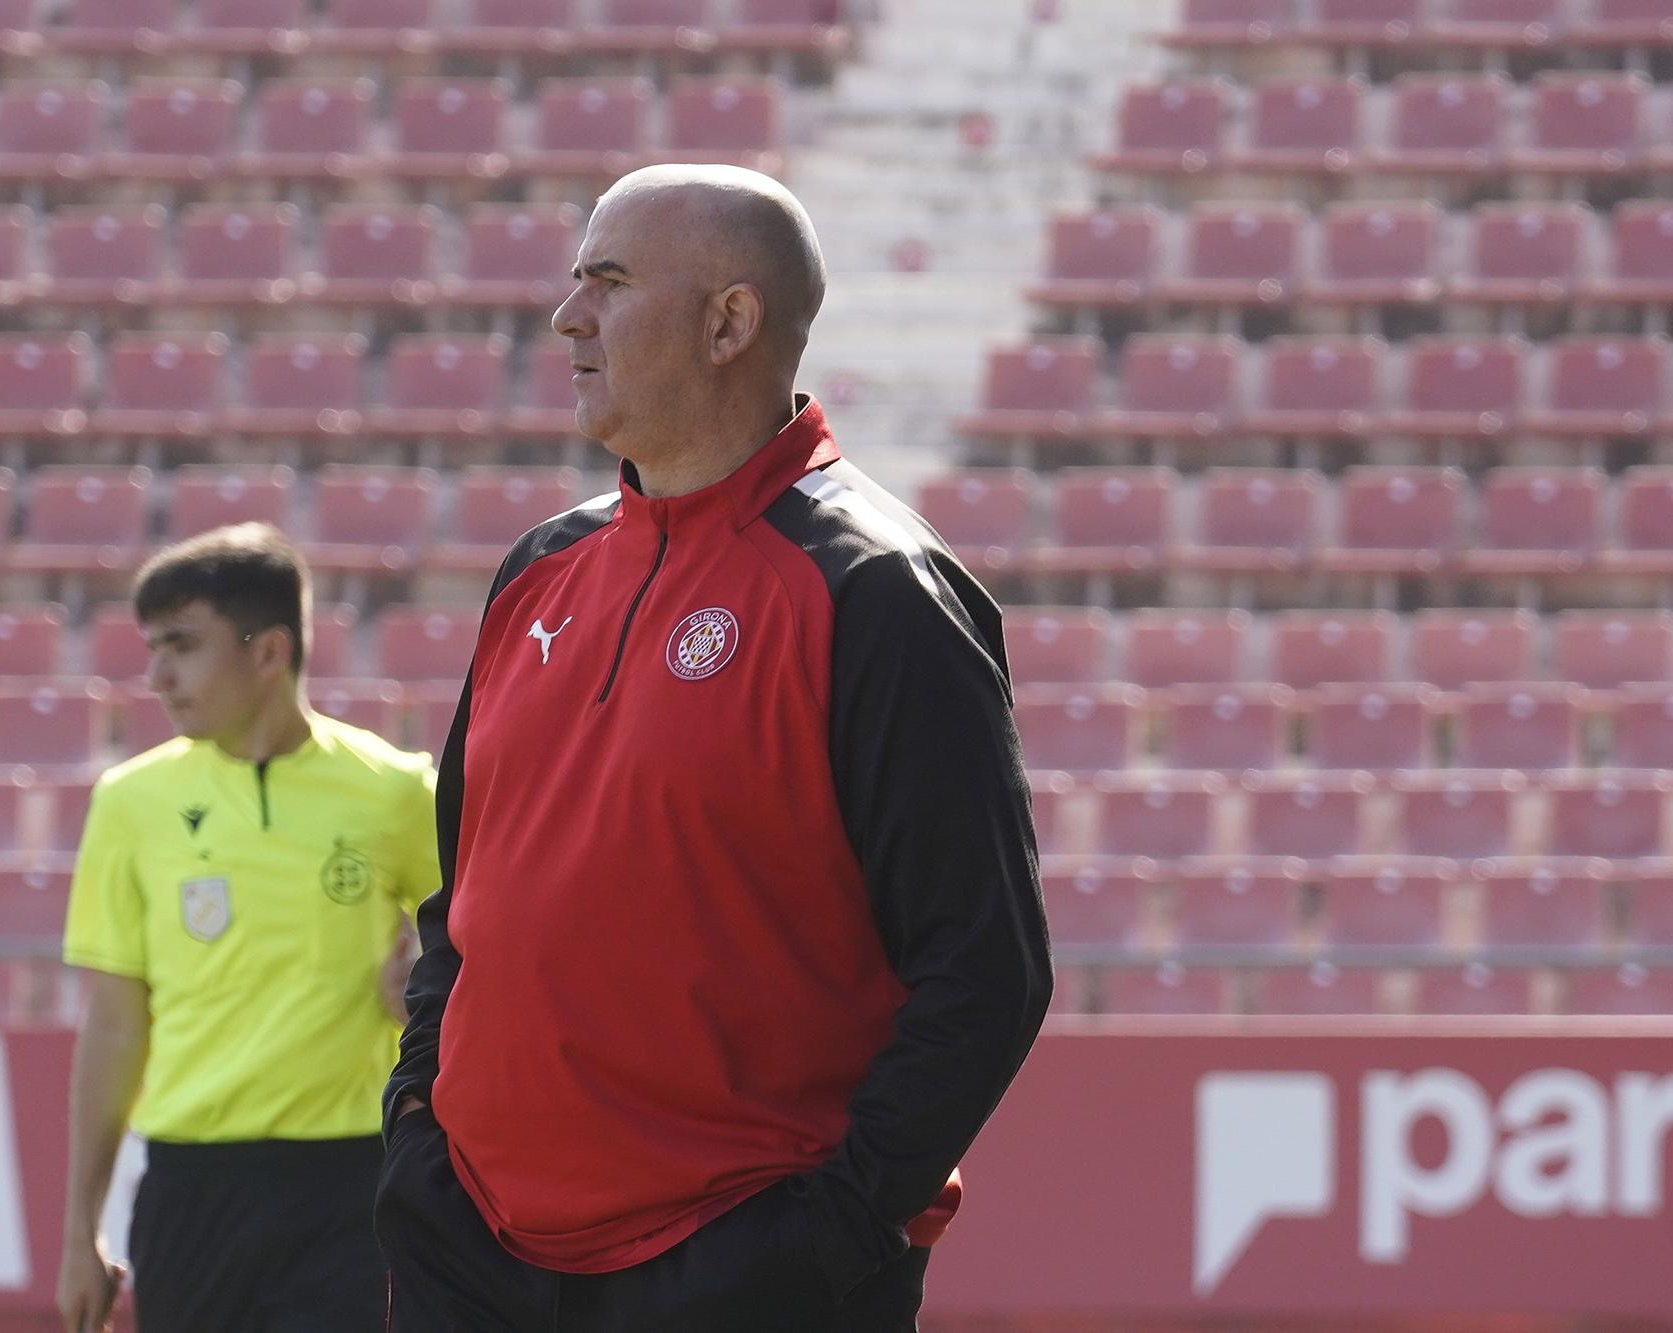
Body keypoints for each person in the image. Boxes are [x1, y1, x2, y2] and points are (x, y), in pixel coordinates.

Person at [377, 165, 1052, 1332]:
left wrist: (824, 1237)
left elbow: (986, 971)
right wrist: (415, 1153)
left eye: (609, 281)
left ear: (729, 322)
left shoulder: (878, 589)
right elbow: (464, 902)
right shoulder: (537, 568)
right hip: (473, 1258)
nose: (565, 316)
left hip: (734, 1276)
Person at [56, 522, 438, 1333]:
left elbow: (479, 960)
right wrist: (78, 1228)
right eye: (153, 647)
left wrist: (428, 1002)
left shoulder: (397, 791)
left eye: (183, 646)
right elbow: (116, 1024)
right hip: (192, 1185)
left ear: (268, 653)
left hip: (351, 1182)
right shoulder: (129, 803)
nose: (158, 676)